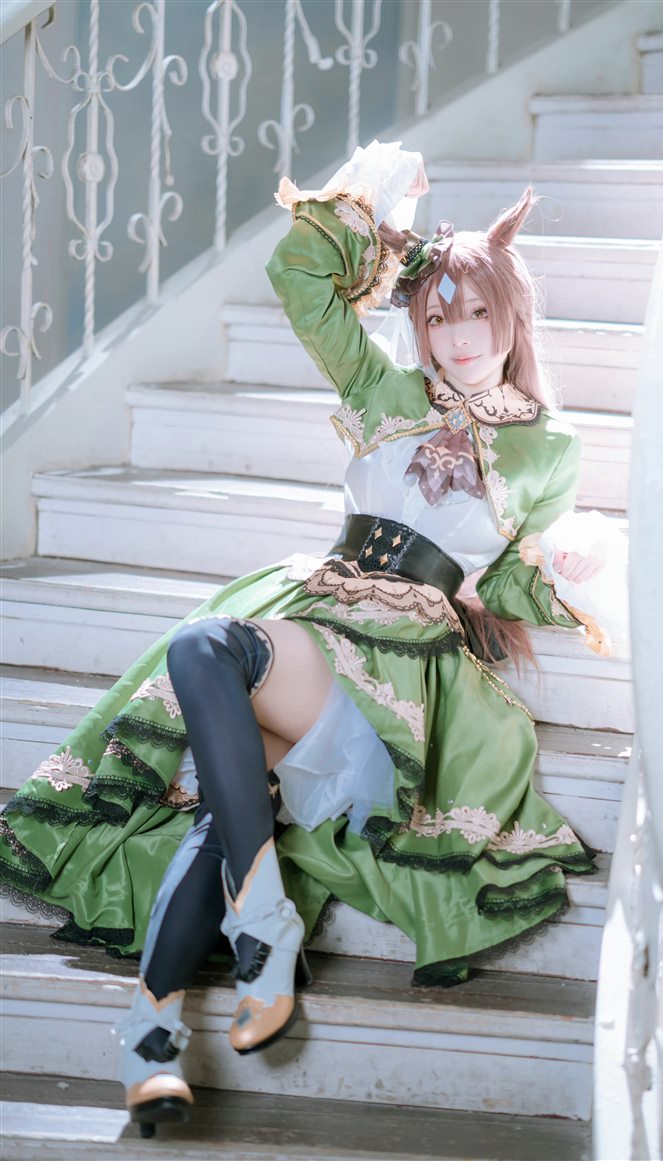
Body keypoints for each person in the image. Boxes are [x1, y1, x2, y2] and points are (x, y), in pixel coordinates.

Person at [0, 142, 609, 1135]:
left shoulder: (549, 446)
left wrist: (562, 574)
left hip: (398, 666)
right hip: (319, 614)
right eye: (438, 315)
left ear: (511, 316)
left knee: (206, 648)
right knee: (225, 796)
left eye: (477, 313)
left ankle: (257, 927)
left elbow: (500, 580)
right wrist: (372, 202)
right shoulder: (383, 390)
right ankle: (155, 1030)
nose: (458, 336)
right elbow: (297, 276)